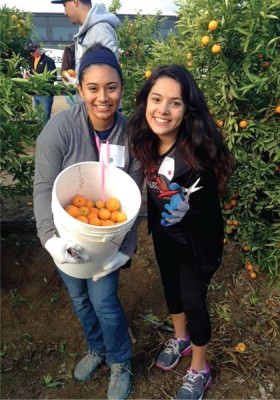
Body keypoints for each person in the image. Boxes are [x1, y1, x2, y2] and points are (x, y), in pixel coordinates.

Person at [33, 44, 143, 400]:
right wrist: (51, 239)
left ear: (121, 89)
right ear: (79, 89)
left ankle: (120, 360)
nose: (103, 97)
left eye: (111, 87)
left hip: (106, 239)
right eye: (93, 87)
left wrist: (123, 251)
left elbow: (136, 199)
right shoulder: (60, 129)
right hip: (68, 233)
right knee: (79, 299)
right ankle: (97, 349)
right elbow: (44, 188)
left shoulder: (131, 136)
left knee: (104, 301)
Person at [127, 65, 234, 400]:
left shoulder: (195, 152)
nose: (163, 109)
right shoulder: (146, 141)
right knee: (170, 287)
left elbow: (205, 208)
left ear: (187, 110)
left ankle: (200, 369)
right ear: (146, 101)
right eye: (156, 99)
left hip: (197, 240)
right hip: (165, 233)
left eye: (175, 103)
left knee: (193, 299)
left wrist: (189, 207)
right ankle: (181, 337)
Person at [51, 0, 120, 75]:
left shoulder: (100, 30)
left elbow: (108, 72)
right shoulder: (88, 31)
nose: (65, 13)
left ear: (75, 1)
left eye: (65, 6)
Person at [25, 38, 57, 124]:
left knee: (45, 118)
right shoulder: (31, 60)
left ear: (38, 47)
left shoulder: (48, 61)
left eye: (33, 51)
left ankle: (47, 136)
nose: (32, 53)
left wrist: (36, 77)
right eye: (30, 52)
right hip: (35, 93)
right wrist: (28, 77)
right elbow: (31, 74)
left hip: (45, 94)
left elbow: (53, 78)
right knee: (39, 118)